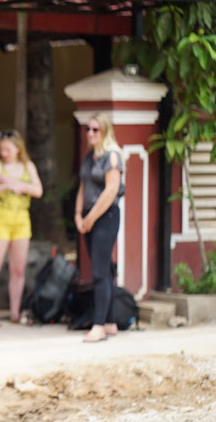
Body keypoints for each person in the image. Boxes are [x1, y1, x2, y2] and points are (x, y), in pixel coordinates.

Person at [0, 130, 43, 327]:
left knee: (18, 269)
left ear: (17, 148)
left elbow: (38, 190)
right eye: (1, 149)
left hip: (21, 221)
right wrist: (5, 186)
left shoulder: (27, 166)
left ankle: (15, 312)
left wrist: (16, 183)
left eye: (7, 149)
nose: (4, 153)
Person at [74, 113, 124, 342]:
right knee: (104, 269)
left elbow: (111, 191)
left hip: (106, 216)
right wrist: (78, 214)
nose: (91, 133)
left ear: (105, 131)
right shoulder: (89, 157)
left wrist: (91, 217)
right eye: (88, 129)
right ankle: (111, 321)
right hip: (89, 218)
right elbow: (83, 187)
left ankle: (99, 325)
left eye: (96, 129)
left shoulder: (112, 156)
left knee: (99, 272)